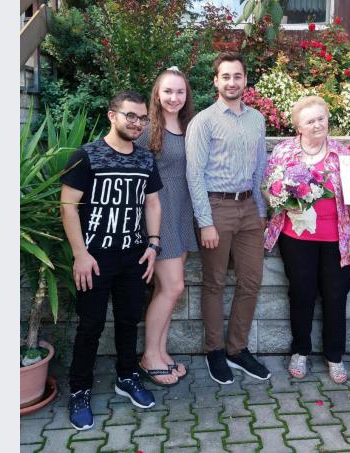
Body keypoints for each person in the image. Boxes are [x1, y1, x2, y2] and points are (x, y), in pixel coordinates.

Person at [60, 91, 163, 430]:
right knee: (89, 326)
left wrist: (153, 244)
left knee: (128, 321)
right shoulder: (86, 155)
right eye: (130, 116)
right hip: (95, 257)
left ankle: (127, 376)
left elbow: (151, 204)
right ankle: (79, 390)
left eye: (142, 118)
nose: (136, 123)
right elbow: (69, 206)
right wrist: (80, 254)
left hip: (133, 256)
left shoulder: (146, 159)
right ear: (112, 115)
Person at [262, 95, 350, 384]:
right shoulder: (284, 152)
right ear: (298, 126)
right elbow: (268, 189)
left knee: (335, 296)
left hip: (337, 238)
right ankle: (300, 351)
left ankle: (335, 356)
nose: (318, 124)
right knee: (301, 293)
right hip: (295, 237)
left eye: (322, 118)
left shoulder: (343, 154)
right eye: (311, 120)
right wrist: (283, 198)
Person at [185, 51, 271, 385]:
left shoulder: (257, 120)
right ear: (216, 81)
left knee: (251, 281)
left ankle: (237, 349)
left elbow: (260, 167)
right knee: (215, 283)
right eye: (225, 76)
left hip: (249, 207)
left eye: (237, 76)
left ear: (245, 80)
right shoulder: (203, 122)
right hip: (216, 208)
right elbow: (194, 174)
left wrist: (261, 212)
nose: (232, 82)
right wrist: (205, 221)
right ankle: (215, 351)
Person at [134, 67, 198, 386]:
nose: (174, 98)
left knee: (166, 290)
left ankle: (160, 351)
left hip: (182, 212)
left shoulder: (189, 126)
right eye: (168, 91)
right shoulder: (148, 130)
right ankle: (149, 356)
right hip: (160, 213)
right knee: (173, 287)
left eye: (180, 92)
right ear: (157, 94)